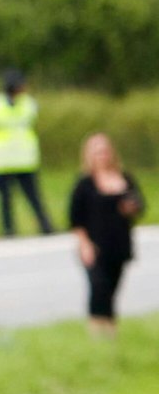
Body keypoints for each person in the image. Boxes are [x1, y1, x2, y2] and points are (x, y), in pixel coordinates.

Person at [68, 134, 145, 338]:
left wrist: (130, 208)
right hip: (94, 245)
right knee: (98, 286)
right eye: (97, 152)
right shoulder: (85, 184)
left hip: (119, 243)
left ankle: (110, 332)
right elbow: (75, 218)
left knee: (112, 288)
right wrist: (84, 244)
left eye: (104, 151)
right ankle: (95, 330)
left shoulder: (125, 178)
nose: (102, 156)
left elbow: (139, 205)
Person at [0, 70, 52, 236]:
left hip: (18, 160)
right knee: (9, 199)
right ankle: (12, 229)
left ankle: (40, 226)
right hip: (7, 160)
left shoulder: (25, 103)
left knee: (30, 197)